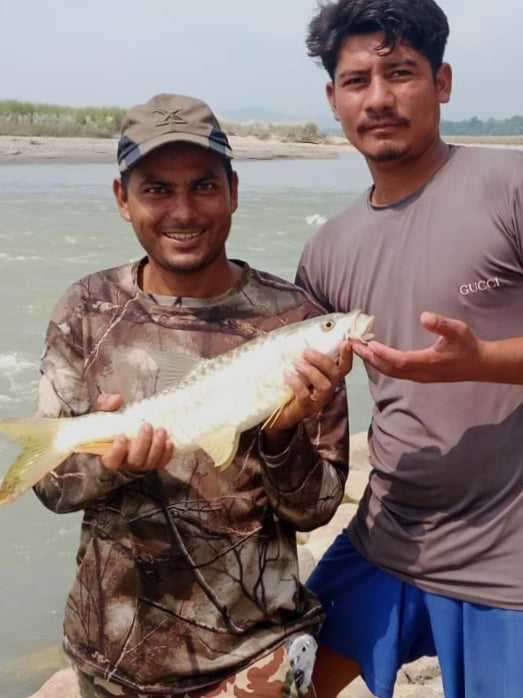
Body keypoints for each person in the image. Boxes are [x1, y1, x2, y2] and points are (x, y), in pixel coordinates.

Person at [296, 2, 523, 697]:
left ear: (443, 82)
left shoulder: (514, 186)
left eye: (401, 73)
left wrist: (485, 360)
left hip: (515, 562)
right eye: (358, 79)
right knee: (283, 682)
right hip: (387, 538)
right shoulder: (328, 249)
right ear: (332, 98)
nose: (380, 98)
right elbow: (305, 397)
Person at [33, 93, 352, 698]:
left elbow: (315, 510)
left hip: (256, 655)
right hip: (112, 656)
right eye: (156, 189)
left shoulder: (296, 324)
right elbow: (53, 486)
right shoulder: (86, 310)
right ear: (122, 199)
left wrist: (282, 434)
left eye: (204, 186)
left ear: (233, 190)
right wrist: (105, 463)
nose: (183, 210)